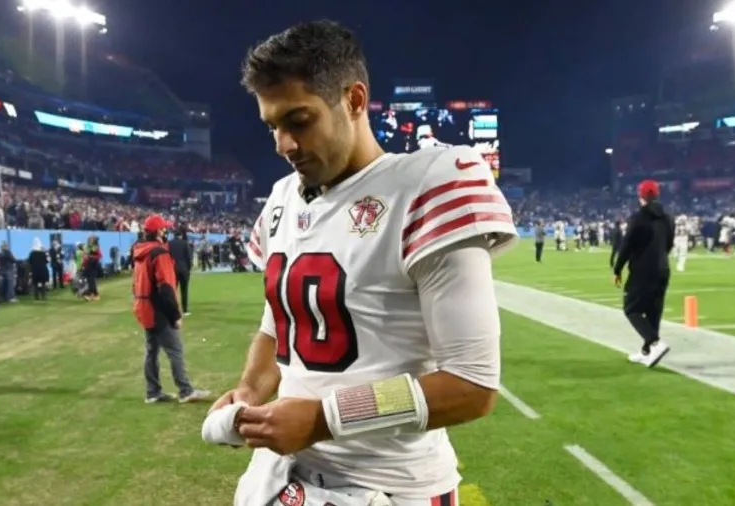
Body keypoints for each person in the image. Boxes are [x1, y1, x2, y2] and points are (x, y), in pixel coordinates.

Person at [203, 20, 517, 506]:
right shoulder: (282, 199)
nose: (282, 144)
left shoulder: (427, 185)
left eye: (298, 120)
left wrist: (323, 418)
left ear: (353, 100)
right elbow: (279, 323)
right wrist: (249, 389)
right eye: (272, 126)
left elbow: (471, 385)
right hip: (285, 476)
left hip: (390, 488)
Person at [131, 214, 211, 404]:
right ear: (158, 231)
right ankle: (185, 390)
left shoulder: (140, 251)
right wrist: (175, 315)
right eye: (163, 228)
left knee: (151, 351)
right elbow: (166, 287)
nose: (165, 231)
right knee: (175, 349)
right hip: (157, 309)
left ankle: (153, 392)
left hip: (144, 307)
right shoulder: (159, 253)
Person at [613, 180, 674, 368]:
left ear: (640, 195)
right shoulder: (668, 218)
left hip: (642, 271)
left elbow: (627, 246)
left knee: (631, 309)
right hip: (663, 269)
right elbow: (669, 244)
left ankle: (654, 343)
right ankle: (647, 351)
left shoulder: (638, 218)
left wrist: (617, 269)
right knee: (654, 311)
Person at [168, 226, 194, 315]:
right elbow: (188, 257)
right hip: (184, 269)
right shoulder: (184, 243)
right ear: (181, 235)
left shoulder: (169, 244)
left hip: (172, 269)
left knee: (173, 290)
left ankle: (173, 309)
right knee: (184, 289)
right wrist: (189, 268)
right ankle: (185, 310)